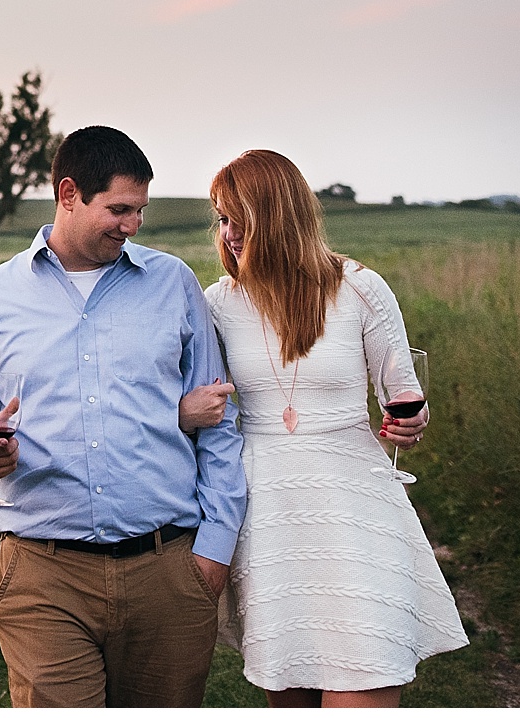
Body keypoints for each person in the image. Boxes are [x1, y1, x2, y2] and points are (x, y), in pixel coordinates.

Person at [0, 125, 247, 707]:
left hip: (168, 570)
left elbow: (220, 423)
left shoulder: (174, 285)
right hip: (42, 572)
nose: (132, 226)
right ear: (69, 193)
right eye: (119, 209)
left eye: (140, 212)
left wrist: (213, 552)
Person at [180, 149, 467, 707]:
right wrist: (187, 411)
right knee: (291, 687)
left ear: (280, 215)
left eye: (240, 217)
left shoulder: (360, 289)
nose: (229, 233)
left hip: (355, 503)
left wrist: (410, 422)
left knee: (367, 667)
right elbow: (194, 404)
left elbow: (405, 395)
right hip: (267, 515)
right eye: (221, 218)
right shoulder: (216, 304)